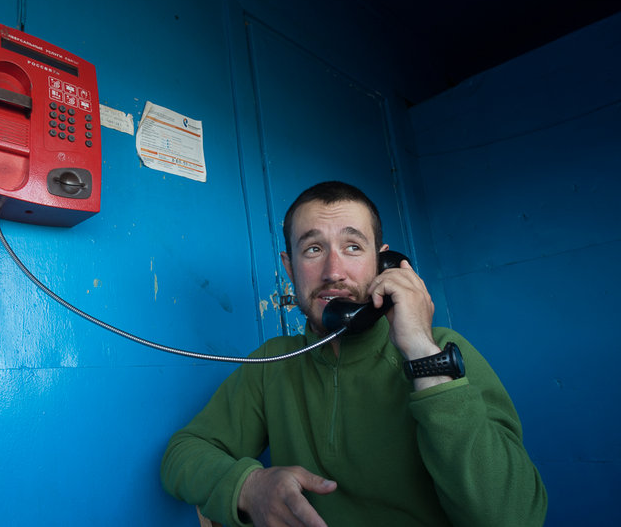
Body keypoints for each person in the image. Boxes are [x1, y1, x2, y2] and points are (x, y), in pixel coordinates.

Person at [160, 181, 547, 527]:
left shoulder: (441, 350)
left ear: (383, 263)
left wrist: (422, 356)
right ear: (289, 267)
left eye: (352, 247)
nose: (334, 270)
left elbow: (514, 516)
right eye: (313, 249)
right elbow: (183, 453)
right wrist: (249, 486)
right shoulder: (274, 362)